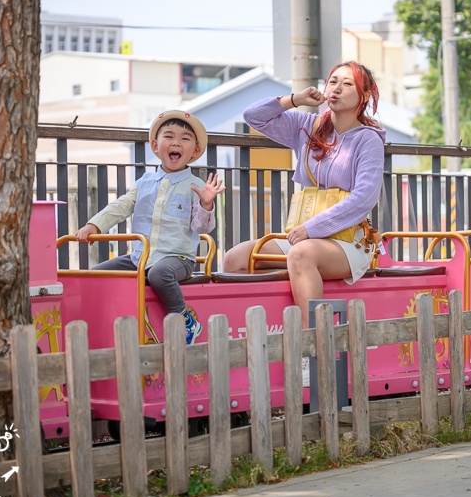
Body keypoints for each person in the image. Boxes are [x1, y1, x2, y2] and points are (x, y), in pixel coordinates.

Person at [223, 61, 385, 330]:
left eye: (347, 84)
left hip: (348, 242)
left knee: (300, 255)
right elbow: (253, 116)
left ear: (364, 95)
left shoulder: (368, 140)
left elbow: (364, 198)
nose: (336, 88)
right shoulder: (307, 126)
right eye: (333, 81)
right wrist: (295, 99)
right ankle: (263, 332)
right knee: (235, 258)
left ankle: (313, 342)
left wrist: (311, 228)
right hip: (306, 239)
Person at [75, 110, 223, 344]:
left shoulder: (196, 186)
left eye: (185, 138)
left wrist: (206, 204)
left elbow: (202, 228)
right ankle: (99, 323)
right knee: (96, 274)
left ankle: (185, 321)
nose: (176, 142)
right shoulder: (144, 183)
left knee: (159, 273)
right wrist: (94, 225)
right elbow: (122, 206)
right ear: (155, 145)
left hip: (178, 258)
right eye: (169, 136)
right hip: (140, 257)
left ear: (195, 151)